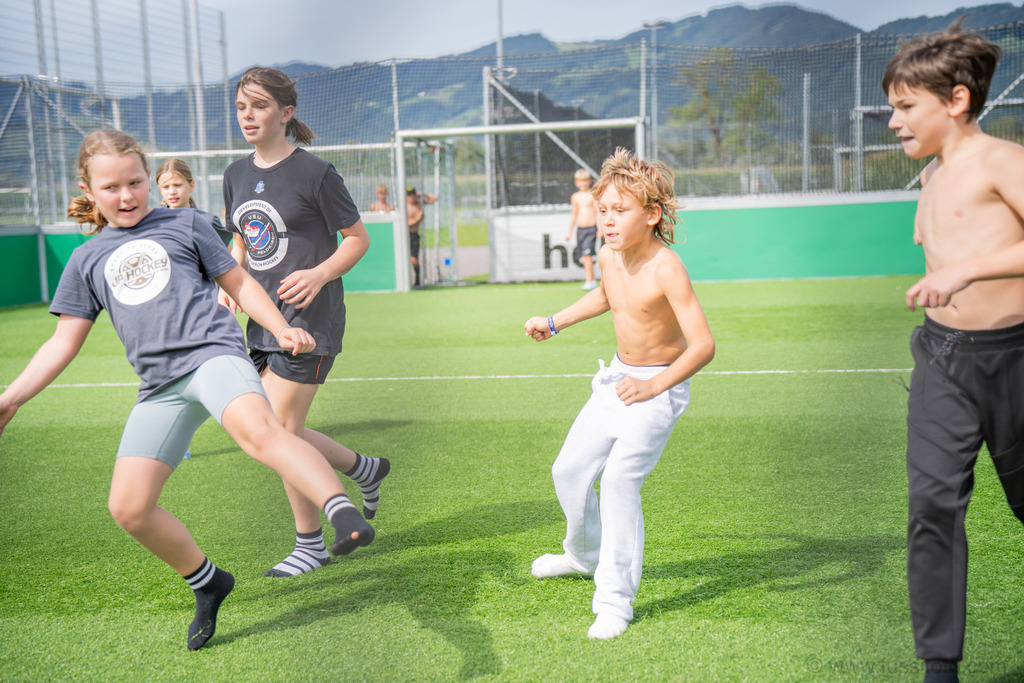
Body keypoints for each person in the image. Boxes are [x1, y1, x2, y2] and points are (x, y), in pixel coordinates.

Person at [0, 129, 374, 650]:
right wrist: (11, 398)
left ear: (148, 178)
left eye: (136, 182)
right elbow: (63, 341)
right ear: (87, 188)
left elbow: (239, 283)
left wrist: (281, 327)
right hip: (159, 386)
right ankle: (208, 581)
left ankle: (341, 512)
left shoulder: (187, 223)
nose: (127, 196)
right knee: (128, 507)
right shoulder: (86, 260)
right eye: (111, 187)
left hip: (213, 356)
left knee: (260, 433)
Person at [523, 147, 715, 640]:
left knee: (618, 483)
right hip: (616, 379)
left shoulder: (667, 267)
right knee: (567, 471)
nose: (607, 220)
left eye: (620, 211)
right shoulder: (609, 255)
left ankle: (614, 602)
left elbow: (703, 346)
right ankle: (582, 556)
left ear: (652, 215)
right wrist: (554, 322)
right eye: (603, 210)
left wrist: (654, 386)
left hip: (659, 386)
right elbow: (608, 295)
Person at [884, 19, 1024, 683]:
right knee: (931, 506)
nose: (894, 122)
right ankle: (939, 669)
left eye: (906, 106)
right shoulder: (932, 177)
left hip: (1015, 358)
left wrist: (969, 270)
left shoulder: (1002, 162)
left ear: (957, 100)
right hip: (942, 358)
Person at [223, 66, 390, 579]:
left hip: (310, 322)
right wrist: (230, 285)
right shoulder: (233, 175)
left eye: (260, 106)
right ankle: (363, 469)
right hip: (263, 321)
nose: (248, 115)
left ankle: (310, 543)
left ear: (286, 113)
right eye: (241, 107)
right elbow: (241, 240)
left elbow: (358, 239)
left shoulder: (316, 173)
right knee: (277, 428)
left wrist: (319, 274)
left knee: (278, 430)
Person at [565, 168, 600, 290]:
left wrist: (601, 229)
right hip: (580, 230)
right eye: (580, 181)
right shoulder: (575, 197)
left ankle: (590, 280)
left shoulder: (592, 195)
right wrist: (570, 232)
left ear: (589, 181)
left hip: (591, 229)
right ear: (576, 182)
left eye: (585, 180)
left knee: (587, 255)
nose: (583, 183)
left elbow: (598, 212)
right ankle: (590, 279)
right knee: (584, 256)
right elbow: (574, 215)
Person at [406, 186, 437, 288]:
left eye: (413, 195)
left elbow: (434, 198)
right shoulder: (405, 207)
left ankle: (417, 279)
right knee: (408, 259)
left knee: (414, 260)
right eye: (409, 195)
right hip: (405, 235)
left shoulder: (418, 204)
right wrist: (417, 219)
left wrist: (422, 194)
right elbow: (407, 223)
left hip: (414, 236)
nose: (411, 197)